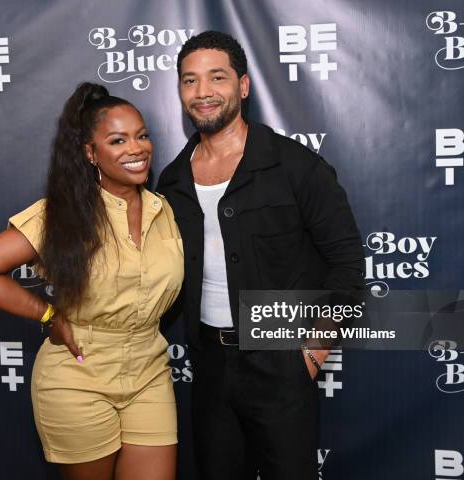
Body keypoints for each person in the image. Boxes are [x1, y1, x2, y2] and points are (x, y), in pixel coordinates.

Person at [156, 31, 365, 480]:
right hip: (209, 366)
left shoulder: (296, 167)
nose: (203, 92)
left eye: (217, 77)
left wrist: (312, 353)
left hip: (281, 361)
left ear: (243, 86)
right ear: (179, 91)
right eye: (190, 81)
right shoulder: (172, 181)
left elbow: (347, 267)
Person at [0, 82, 183, 480]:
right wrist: (47, 314)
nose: (136, 148)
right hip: (78, 373)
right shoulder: (62, 214)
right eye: (118, 140)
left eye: (142, 135)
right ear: (90, 153)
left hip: (149, 370)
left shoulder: (162, 209)